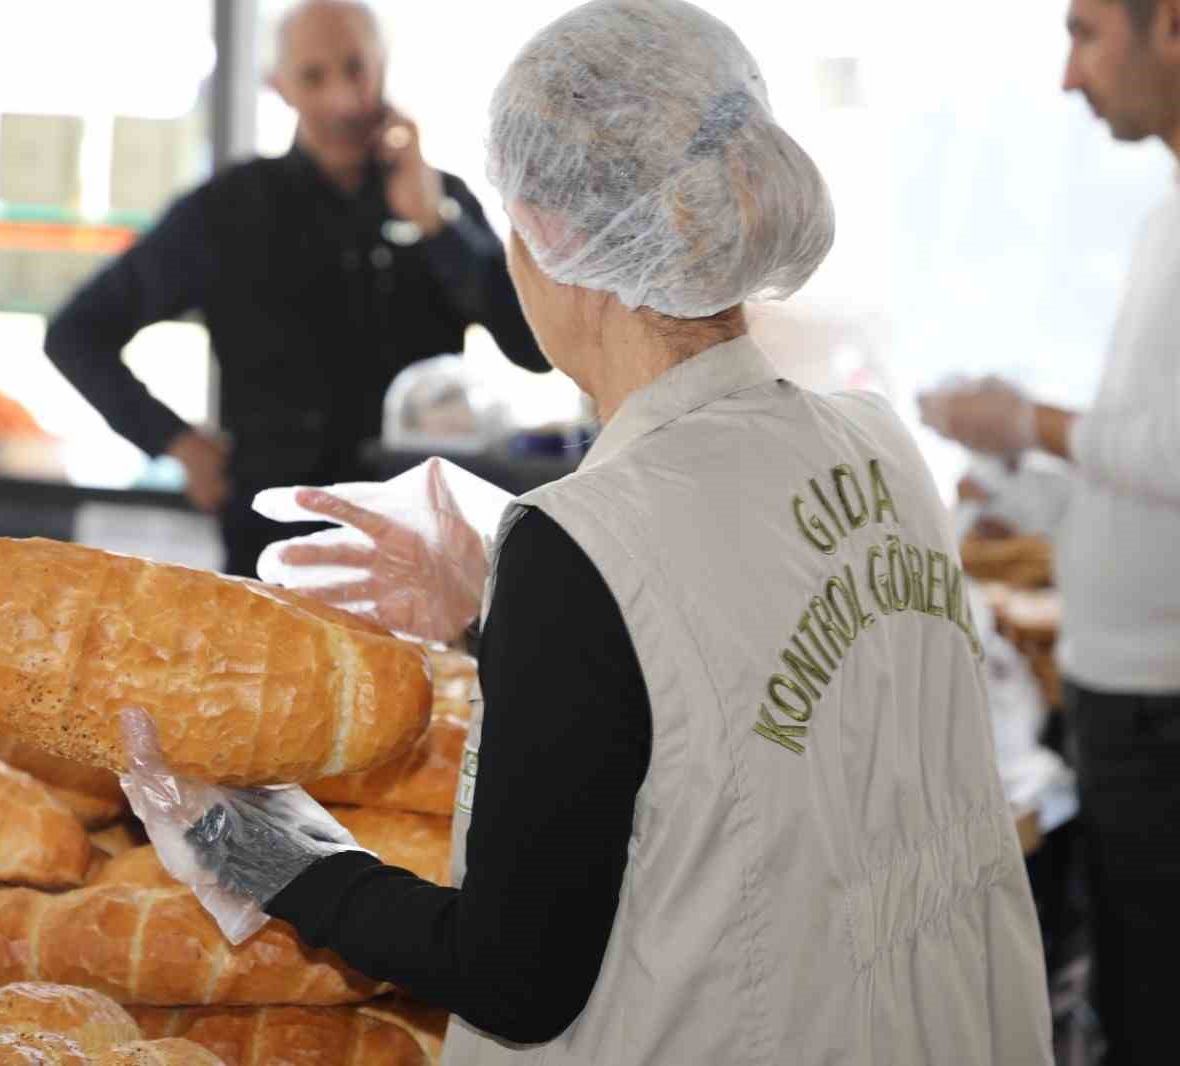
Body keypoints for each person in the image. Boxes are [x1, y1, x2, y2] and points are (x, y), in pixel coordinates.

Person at [125, 1, 1054, 1062]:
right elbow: (738, 706)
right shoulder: (874, 446)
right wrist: (501, 620)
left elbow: (514, 976)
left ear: (551, 233)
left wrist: (256, 847)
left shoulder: (588, 543)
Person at [43, 0, 545, 577]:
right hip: (278, 548)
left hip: (421, 550)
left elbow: (532, 347)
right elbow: (76, 333)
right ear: (279, 87)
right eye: (315, 76)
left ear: (383, 63)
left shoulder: (440, 197)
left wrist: (437, 227)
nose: (345, 98)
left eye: (357, 67)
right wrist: (176, 442)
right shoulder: (228, 209)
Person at [918, 2, 1180, 1061]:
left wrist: (1026, 421)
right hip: (1124, 692)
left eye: (1084, 34)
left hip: (1162, 708)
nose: (1069, 78)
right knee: (1127, 988)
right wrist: (1021, 481)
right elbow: (1140, 473)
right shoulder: (1166, 212)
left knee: (1155, 1009)